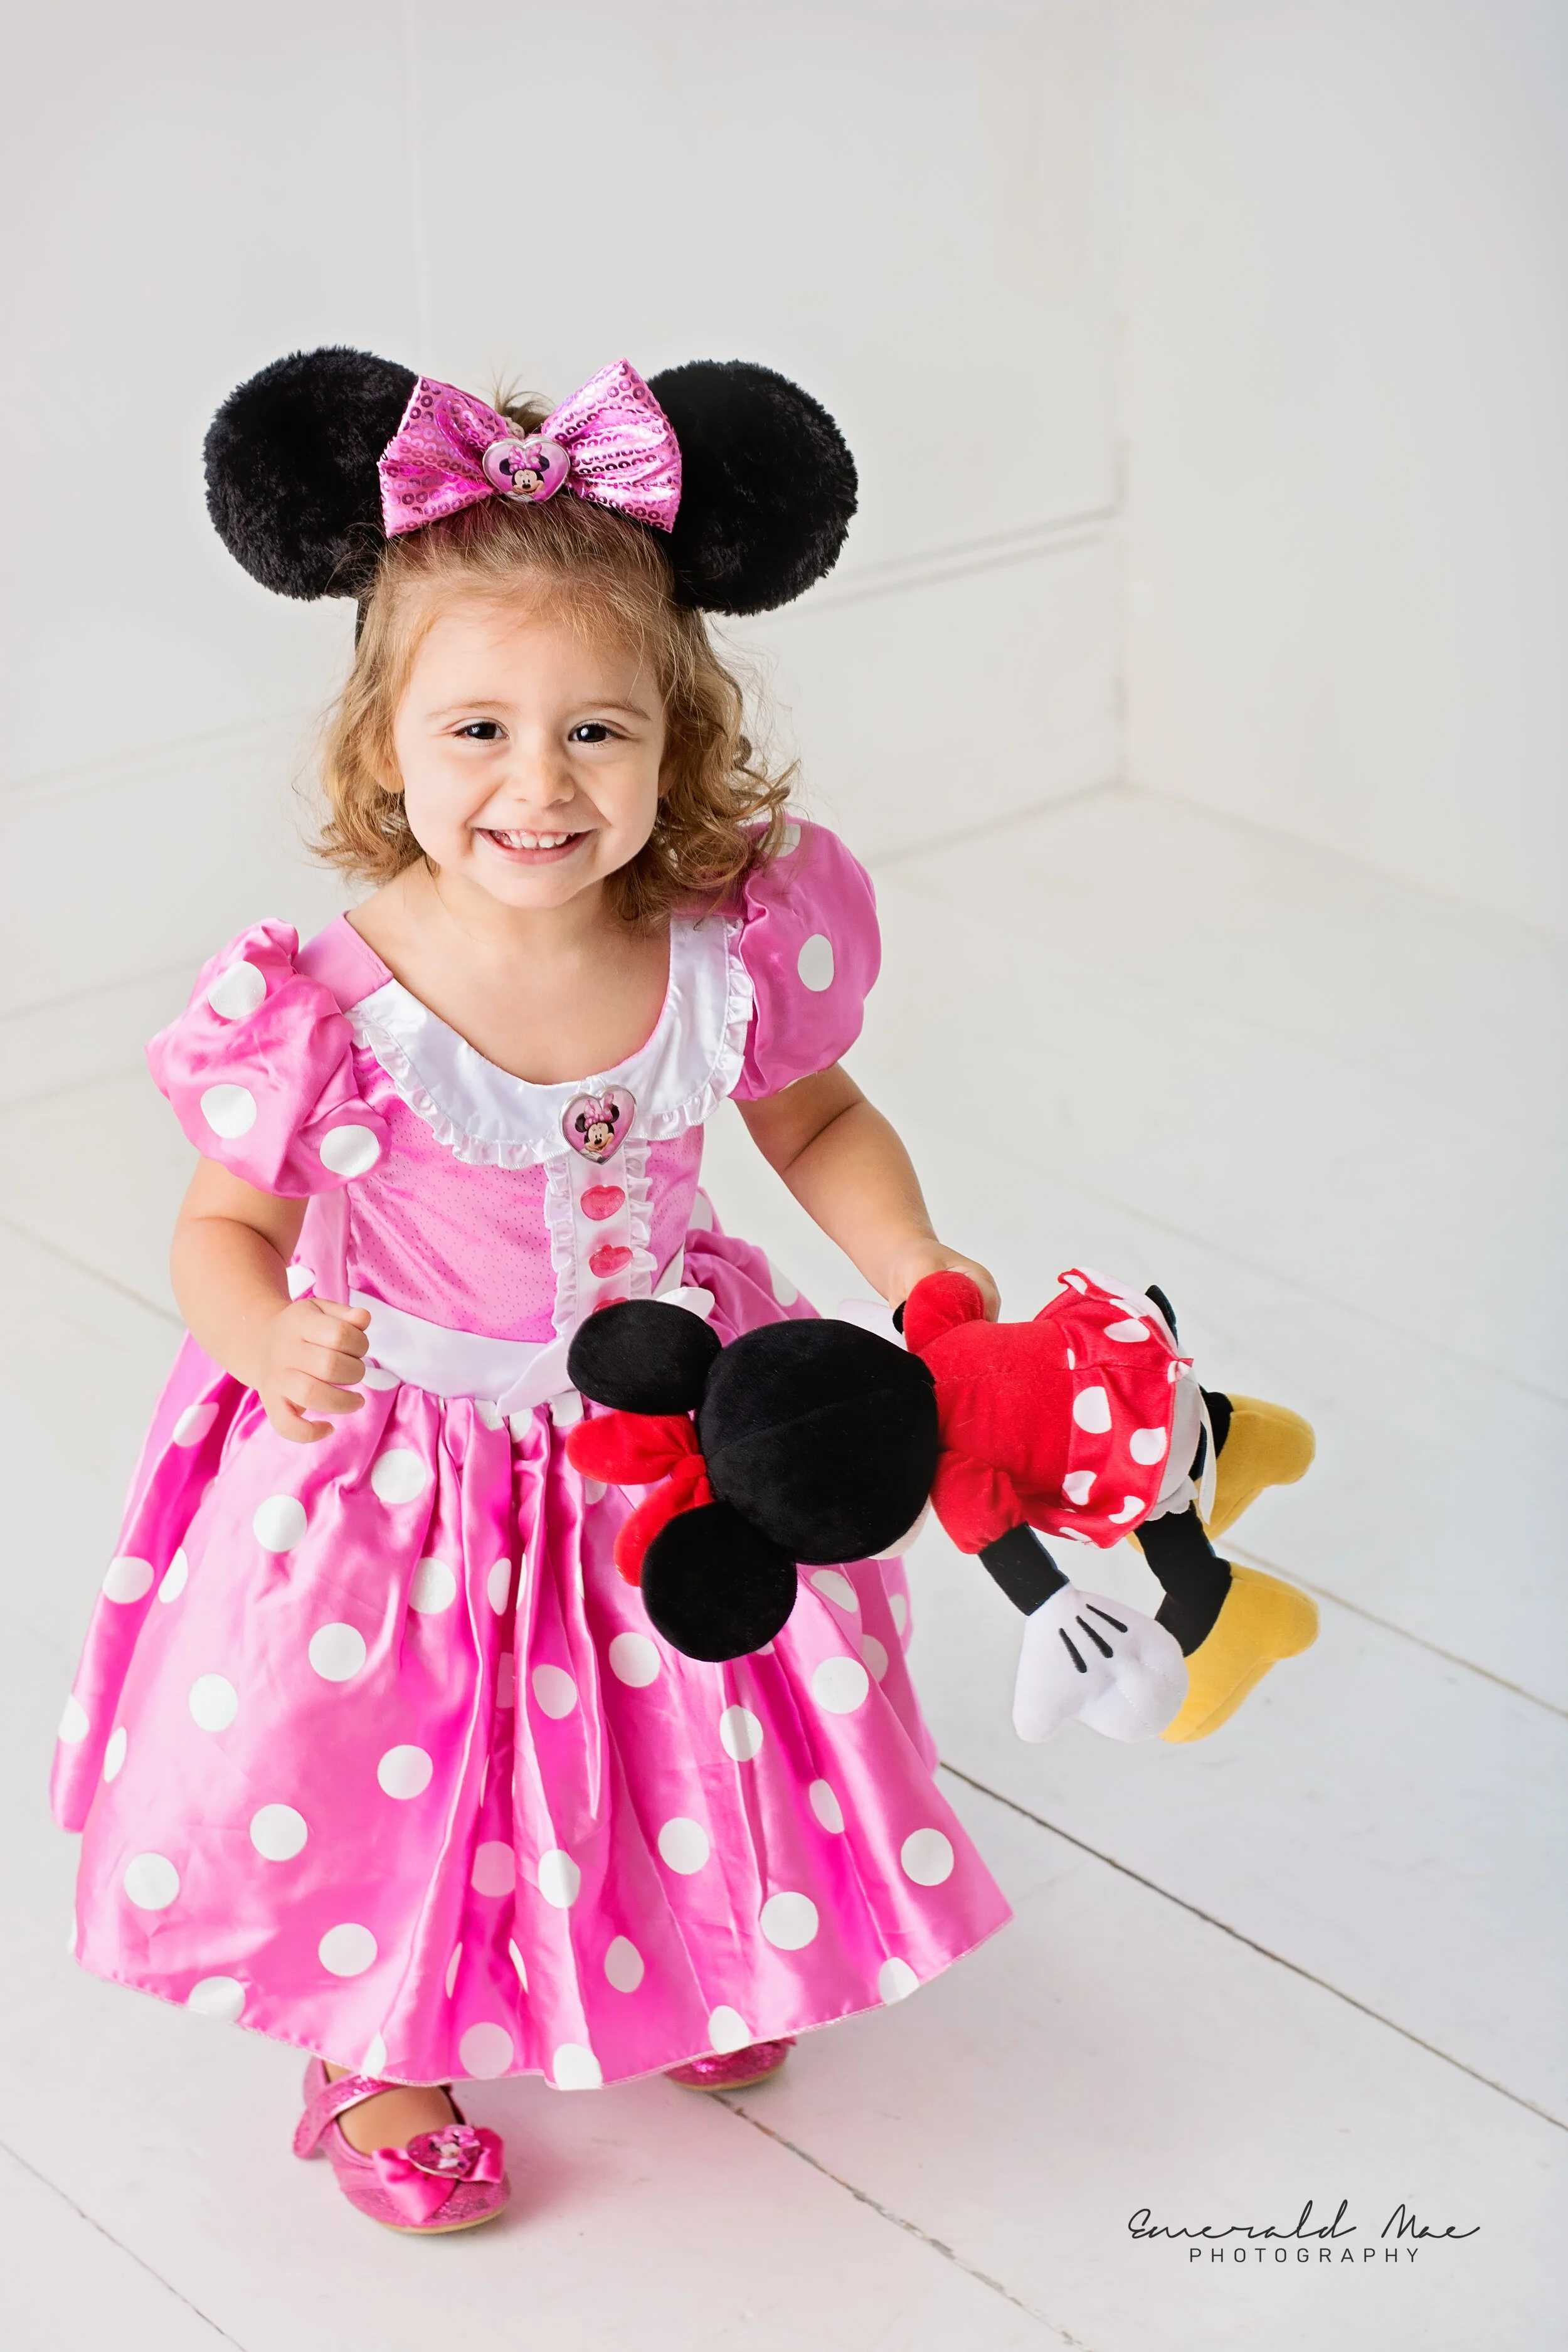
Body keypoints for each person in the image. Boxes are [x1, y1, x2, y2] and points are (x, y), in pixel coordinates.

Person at [48, 349, 1022, 2235]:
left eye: (596, 731)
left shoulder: (718, 943)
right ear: (382, 743)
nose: (536, 782)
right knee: (395, 1745)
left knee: (685, 1689)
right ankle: (371, 2037)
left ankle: (699, 1938)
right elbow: (215, 1234)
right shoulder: (328, 1007)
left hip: (664, 1432)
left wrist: (918, 1273)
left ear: (677, 735)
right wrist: (270, 1338)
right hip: (407, 1439)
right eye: (475, 728)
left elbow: (815, 1120)